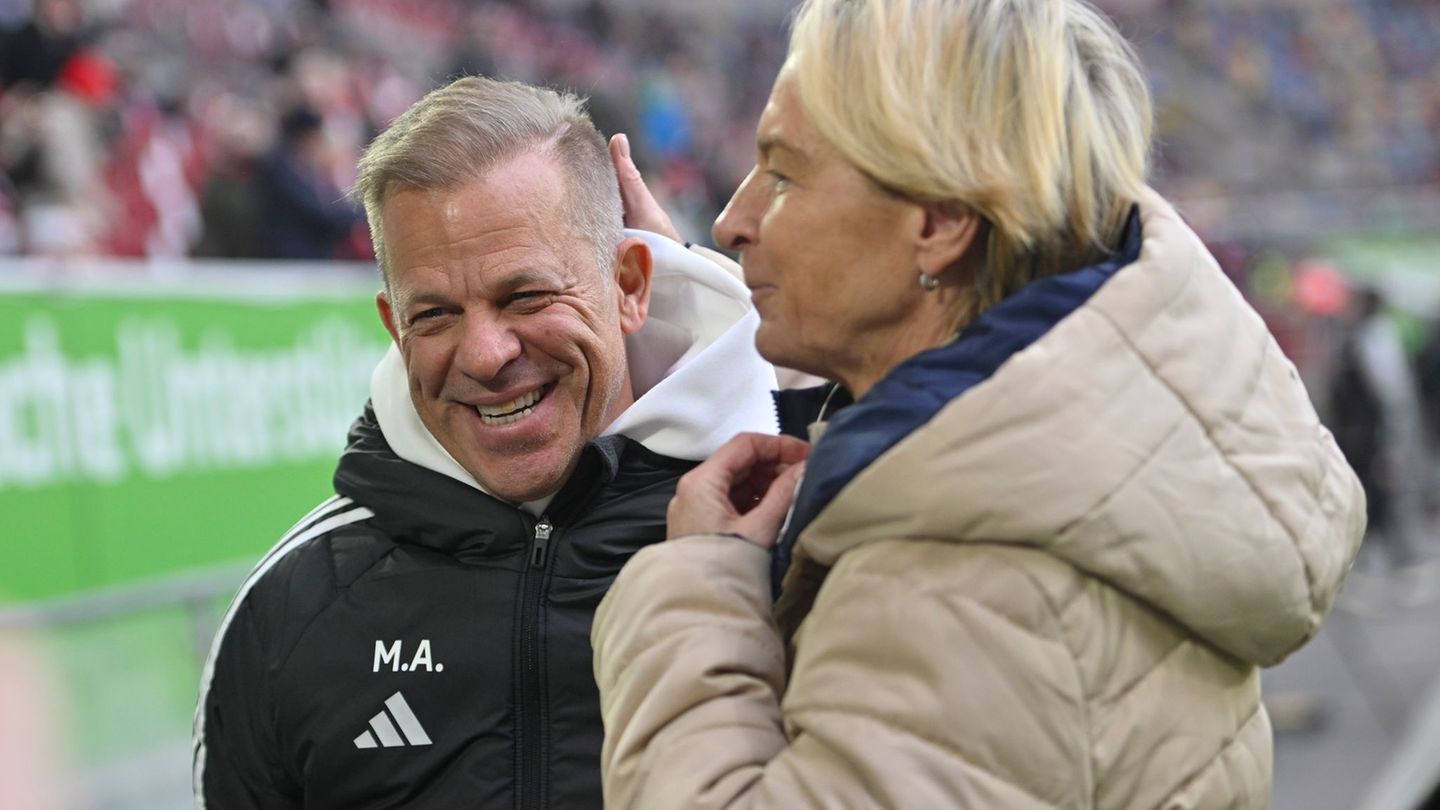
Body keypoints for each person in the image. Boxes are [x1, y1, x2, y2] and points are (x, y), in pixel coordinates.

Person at [591, 1, 1368, 807]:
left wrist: (696, 588)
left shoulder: (969, 575)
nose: (732, 219)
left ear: (940, 221)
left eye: (784, 174)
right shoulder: (1071, 441)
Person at [192, 75, 788, 808]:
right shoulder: (291, 607)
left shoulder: (786, 529)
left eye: (526, 296)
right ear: (393, 326)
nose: (483, 353)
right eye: (435, 314)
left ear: (630, 285)